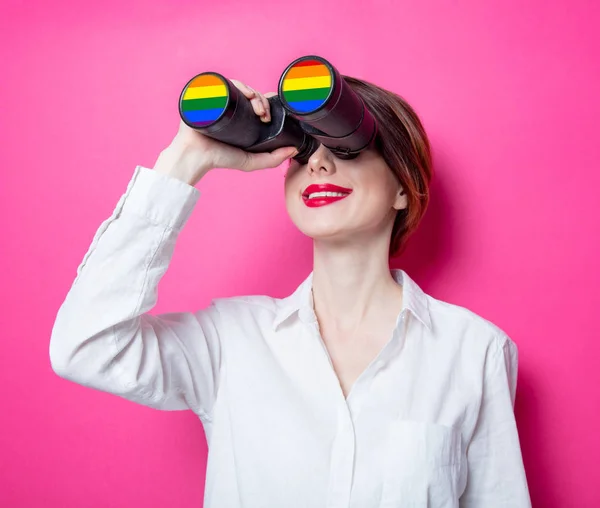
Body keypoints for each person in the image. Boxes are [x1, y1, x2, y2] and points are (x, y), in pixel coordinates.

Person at [49, 76, 532, 508]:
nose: (318, 163)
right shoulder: (229, 341)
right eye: (302, 153)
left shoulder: (474, 351)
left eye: (344, 147)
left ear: (402, 189)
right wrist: (187, 157)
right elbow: (85, 348)